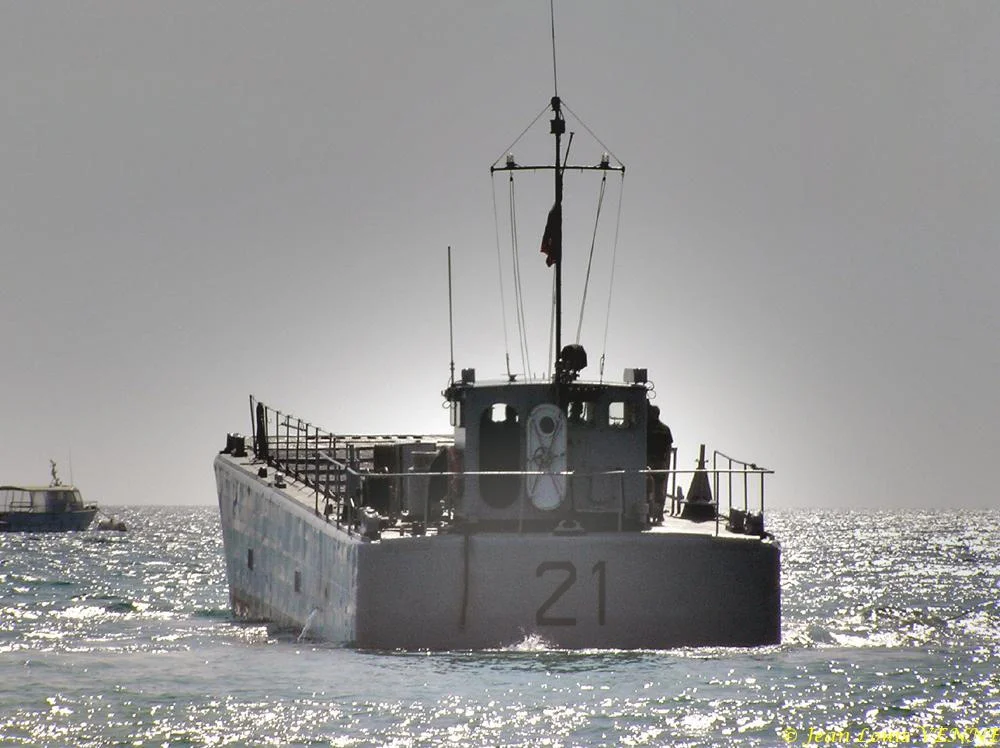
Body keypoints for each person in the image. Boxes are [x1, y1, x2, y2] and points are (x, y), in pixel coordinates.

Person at [645, 404, 673, 524]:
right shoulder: (665, 429)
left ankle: (647, 514)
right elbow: (668, 447)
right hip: (661, 462)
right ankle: (659, 515)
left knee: (647, 488)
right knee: (659, 489)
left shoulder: (646, 428)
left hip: (648, 461)